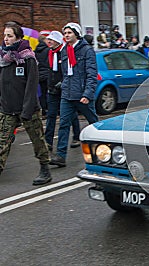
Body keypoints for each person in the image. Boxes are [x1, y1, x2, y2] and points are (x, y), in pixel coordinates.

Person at [0, 21, 51, 185]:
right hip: (7, 108)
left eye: (10, 36)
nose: (6, 39)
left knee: (37, 140)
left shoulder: (28, 57)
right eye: (4, 35)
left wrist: (27, 110)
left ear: (18, 38)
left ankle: (45, 169)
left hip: (27, 108)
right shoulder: (3, 58)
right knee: (2, 142)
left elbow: (31, 86)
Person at [49, 22, 98, 167]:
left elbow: (91, 74)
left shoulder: (87, 51)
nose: (66, 36)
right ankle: (61, 156)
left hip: (82, 94)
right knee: (64, 124)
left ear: (76, 34)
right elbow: (65, 73)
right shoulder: (65, 50)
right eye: (65, 33)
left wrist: (87, 93)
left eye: (69, 33)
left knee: (94, 124)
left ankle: (102, 152)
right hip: (67, 94)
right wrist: (63, 86)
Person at [45, 30, 81, 153]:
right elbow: (49, 70)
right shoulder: (49, 53)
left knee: (70, 115)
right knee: (51, 115)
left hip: (64, 89)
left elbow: (68, 70)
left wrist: (62, 83)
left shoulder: (64, 52)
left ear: (57, 41)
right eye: (48, 39)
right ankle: (48, 141)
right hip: (52, 89)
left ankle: (77, 136)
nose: (48, 41)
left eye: (51, 39)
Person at [35, 34, 50, 118]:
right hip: (47, 74)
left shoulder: (35, 51)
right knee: (49, 93)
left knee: (42, 93)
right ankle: (48, 109)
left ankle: (43, 109)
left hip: (39, 74)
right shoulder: (48, 50)